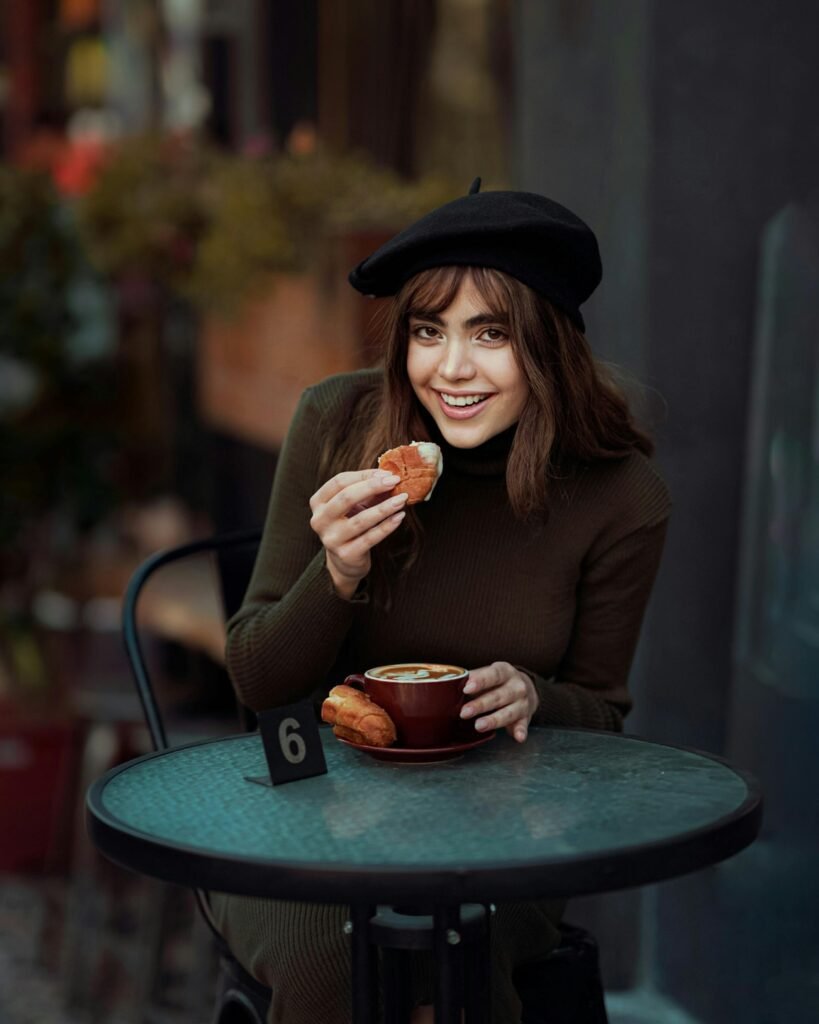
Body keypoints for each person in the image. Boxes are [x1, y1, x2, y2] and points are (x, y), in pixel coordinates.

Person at [210, 179, 671, 1024]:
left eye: (489, 334)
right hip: (305, 800)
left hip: (503, 828)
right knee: (348, 962)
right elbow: (257, 682)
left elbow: (601, 715)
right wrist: (337, 571)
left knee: (450, 965)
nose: (450, 369)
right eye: (428, 331)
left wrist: (535, 695)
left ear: (549, 344)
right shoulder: (336, 422)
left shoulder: (618, 495)